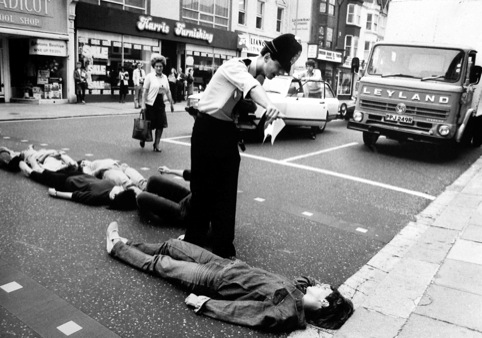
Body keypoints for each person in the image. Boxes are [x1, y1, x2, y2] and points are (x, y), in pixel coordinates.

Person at [106, 222, 354, 332]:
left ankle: (117, 247)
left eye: (325, 290)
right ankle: (130, 244)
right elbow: (306, 279)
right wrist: (315, 287)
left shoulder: (287, 312)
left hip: (212, 280)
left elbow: (245, 313)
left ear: (324, 303)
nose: (320, 285)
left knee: (161, 264)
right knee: (173, 245)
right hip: (224, 264)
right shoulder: (300, 291)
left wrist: (205, 304)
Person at [183, 33, 302, 258]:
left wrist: (262, 116)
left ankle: (224, 250)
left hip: (225, 132)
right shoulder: (235, 66)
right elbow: (253, 89)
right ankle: (192, 245)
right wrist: (269, 106)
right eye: (278, 66)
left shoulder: (256, 76)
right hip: (207, 130)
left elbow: (245, 100)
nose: (278, 73)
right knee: (202, 190)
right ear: (266, 57)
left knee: (227, 192)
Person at [18, 155, 137, 210]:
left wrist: (56, 193)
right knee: (45, 170)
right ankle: (33, 162)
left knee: (41, 174)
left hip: (66, 183)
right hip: (79, 175)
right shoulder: (112, 187)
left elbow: (75, 196)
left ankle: (25, 166)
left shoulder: (96, 198)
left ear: (114, 196)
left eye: (121, 190)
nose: (120, 187)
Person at [141, 54, 175, 152]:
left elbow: (168, 91)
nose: (159, 68)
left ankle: (156, 144)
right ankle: (142, 138)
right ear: (154, 67)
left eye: (160, 66)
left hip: (160, 104)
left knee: (160, 125)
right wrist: (143, 105)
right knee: (149, 126)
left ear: (163, 67)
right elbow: (145, 92)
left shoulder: (165, 77)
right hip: (150, 104)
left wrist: (171, 103)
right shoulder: (149, 77)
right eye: (157, 66)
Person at [79, 158, 147, 192]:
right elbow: (90, 175)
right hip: (107, 171)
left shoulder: (94, 162)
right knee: (126, 182)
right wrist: (99, 170)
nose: (85, 162)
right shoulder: (87, 167)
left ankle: (146, 186)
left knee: (138, 179)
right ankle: (137, 191)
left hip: (118, 166)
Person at [297, 60, 323, 139]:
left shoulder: (317, 72)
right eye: (307, 66)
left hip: (317, 93)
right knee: (308, 111)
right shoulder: (305, 72)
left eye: (310, 66)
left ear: (313, 67)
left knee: (315, 112)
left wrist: (305, 78)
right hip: (309, 93)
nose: (309, 68)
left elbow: (317, 78)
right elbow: (296, 75)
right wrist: (300, 77)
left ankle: (313, 132)